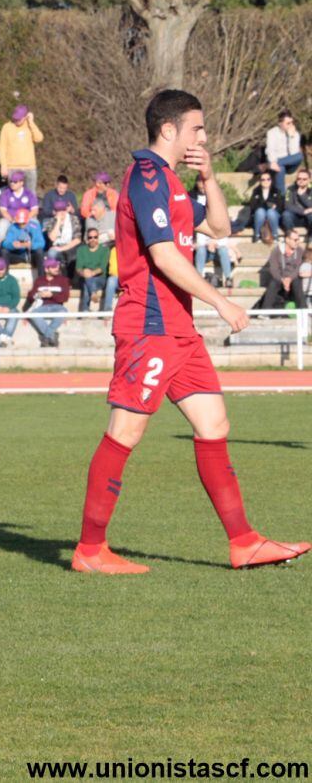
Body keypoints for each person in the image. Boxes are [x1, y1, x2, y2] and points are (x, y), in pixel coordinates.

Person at [71, 88, 308, 575]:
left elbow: (219, 229)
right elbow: (162, 255)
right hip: (149, 326)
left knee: (214, 425)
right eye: (197, 128)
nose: (204, 136)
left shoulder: (175, 184)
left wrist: (210, 177)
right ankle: (90, 550)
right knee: (125, 431)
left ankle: (243, 542)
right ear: (169, 130)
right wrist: (220, 301)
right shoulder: (146, 176)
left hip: (178, 330)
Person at [25, 256, 70, 346]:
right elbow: (30, 296)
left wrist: (52, 295)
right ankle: (52, 335)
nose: (57, 268)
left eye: (57, 266)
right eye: (53, 267)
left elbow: (65, 297)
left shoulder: (63, 280)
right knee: (33, 314)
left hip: (57, 306)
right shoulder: (39, 281)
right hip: (42, 306)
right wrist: (39, 294)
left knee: (63, 312)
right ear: (46, 269)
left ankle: (46, 336)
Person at [0, 104, 43, 192]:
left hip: (29, 168)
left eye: (19, 119)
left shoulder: (30, 126)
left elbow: (39, 138)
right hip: (12, 168)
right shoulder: (6, 127)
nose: (17, 120)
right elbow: (2, 148)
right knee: (13, 194)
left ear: (26, 116)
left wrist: (31, 122)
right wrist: (3, 165)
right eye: (16, 118)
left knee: (30, 195)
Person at [261, 228, 307, 309]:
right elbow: (274, 269)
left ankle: (303, 309)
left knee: (297, 282)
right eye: (295, 240)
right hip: (280, 278)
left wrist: (289, 279)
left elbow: (297, 268)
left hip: (293, 278)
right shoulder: (276, 251)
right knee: (274, 282)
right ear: (287, 240)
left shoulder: (300, 251)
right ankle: (265, 311)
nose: (298, 242)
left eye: (298, 239)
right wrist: (283, 280)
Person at [0, 170, 38, 247]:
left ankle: (35, 250)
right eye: (11, 181)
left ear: (22, 183)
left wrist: (25, 219)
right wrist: (12, 219)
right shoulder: (6, 193)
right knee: (1, 225)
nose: (12, 183)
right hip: (10, 219)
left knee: (36, 223)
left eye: (15, 182)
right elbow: (3, 211)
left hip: (26, 219)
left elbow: (35, 210)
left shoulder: (29, 193)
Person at [265, 110, 303, 198]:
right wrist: (273, 162)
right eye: (287, 123)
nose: (290, 125)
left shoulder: (295, 134)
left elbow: (294, 154)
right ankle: (281, 197)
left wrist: (291, 137)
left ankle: (272, 164)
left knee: (299, 156)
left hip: (289, 164)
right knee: (280, 169)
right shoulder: (272, 133)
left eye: (291, 122)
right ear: (280, 123)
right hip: (275, 161)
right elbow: (270, 150)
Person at [0, 207, 45, 277]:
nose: (21, 225)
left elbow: (41, 243)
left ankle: (41, 279)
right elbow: (5, 243)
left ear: (27, 220)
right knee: (4, 251)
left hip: (31, 254)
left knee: (40, 252)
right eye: (19, 223)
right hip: (18, 254)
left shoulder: (35, 226)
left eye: (23, 223)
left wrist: (30, 245)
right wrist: (12, 245)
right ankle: (5, 278)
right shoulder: (13, 227)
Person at [75, 228, 109, 311]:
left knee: (87, 281)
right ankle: (93, 293)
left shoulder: (105, 250)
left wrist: (90, 273)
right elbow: (78, 268)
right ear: (87, 239)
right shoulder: (81, 250)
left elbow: (102, 268)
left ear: (98, 238)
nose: (93, 239)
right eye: (90, 237)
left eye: (95, 237)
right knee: (87, 282)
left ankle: (85, 311)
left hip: (100, 278)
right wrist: (84, 273)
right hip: (84, 277)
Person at [44, 200, 81, 274]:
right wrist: (58, 222)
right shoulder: (51, 222)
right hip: (56, 246)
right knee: (51, 253)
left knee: (74, 254)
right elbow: (52, 238)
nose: (62, 213)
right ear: (55, 212)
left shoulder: (74, 219)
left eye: (63, 210)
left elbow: (77, 240)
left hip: (71, 245)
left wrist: (62, 248)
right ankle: (53, 275)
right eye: (59, 210)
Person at [248, 168, 285, 243]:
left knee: (270, 212)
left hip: (273, 215)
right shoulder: (256, 191)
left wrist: (267, 206)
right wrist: (268, 205)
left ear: (271, 180)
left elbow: (280, 205)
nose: (266, 181)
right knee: (260, 212)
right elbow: (253, 205)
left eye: (268, 179)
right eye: (263, 179)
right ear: (260, 181)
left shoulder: (276, 191)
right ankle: (257, 235)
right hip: (260, 215)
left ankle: (275, 236)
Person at [282, 168, 312, 232]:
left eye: (304, 179)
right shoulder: (291, 189)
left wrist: (302, 195)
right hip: (295, 217)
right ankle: (290, 235)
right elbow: (287, 205)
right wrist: (303, 211)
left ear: (309, 180)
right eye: (299, 178)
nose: (301, 181)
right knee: (286, 214)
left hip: (309, 218)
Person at [102, 244, 120, 311]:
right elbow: (112, 270)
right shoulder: (114, 250)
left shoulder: (132, 249)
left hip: (128, 277)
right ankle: (107, 308)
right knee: (111, 280)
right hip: (117, 277)